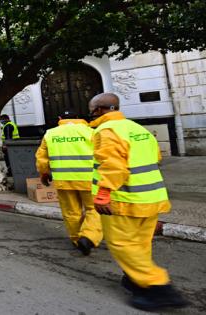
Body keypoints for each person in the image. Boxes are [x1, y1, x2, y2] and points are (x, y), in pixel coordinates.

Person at [89, 93, 188, 311]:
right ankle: (136, 279)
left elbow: (113, 165)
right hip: (151, 197)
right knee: (140, 244)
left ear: (98, 110)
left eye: (92, 109)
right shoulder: (137, 129)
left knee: (122, 244)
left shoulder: (106, 131)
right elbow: (156, 157)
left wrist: (104, 193)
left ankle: (157, 286)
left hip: (124, 200)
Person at [35, 109, 102, 255]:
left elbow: (42, 158)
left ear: (60, 118)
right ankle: (89, 236)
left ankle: (77, 239)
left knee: (71, 212)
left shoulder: (50, 133)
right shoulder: (91, 132)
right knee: (94, 209)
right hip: (89, 180)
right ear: (78, 117)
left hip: (63, 180)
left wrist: (44, 173)